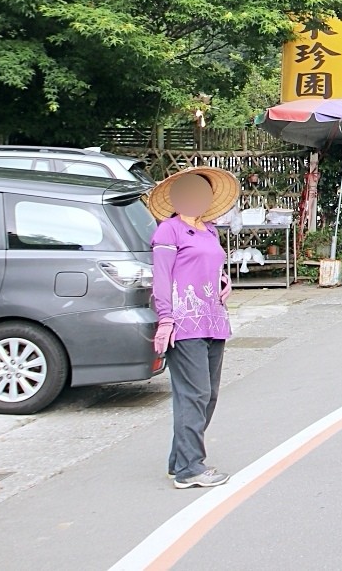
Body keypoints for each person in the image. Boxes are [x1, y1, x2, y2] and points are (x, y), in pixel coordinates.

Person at [148, 165, 240, 490]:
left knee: (209, 395)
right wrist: (165, 319)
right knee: (194, 393)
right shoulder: (168, 231)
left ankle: (179, 460)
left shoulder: (209, 229)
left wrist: (224, 282)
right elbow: (162, 278)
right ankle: (190, 468)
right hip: (183, 322)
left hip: (213, 319)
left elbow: (211, 268)